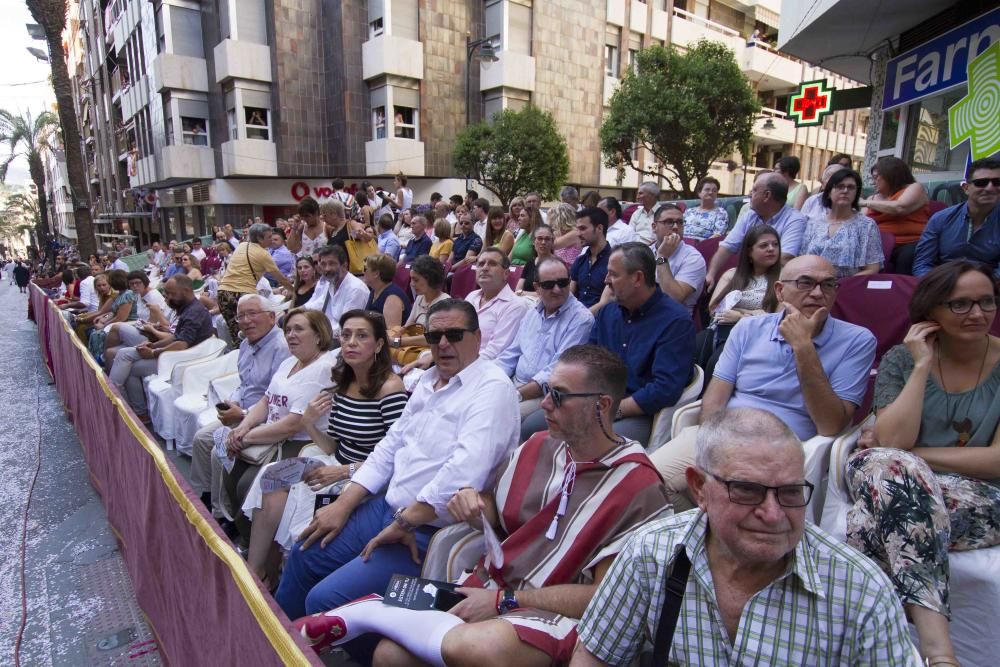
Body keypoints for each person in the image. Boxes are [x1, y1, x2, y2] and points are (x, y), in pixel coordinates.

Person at [298, 345, 673, 665]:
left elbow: (604, 595)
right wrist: (474, 506)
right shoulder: (540, 446)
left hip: (561, 612)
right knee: (387, 656)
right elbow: (499, 513)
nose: (543, 403)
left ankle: (372, 612)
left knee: (476, 646)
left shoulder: (637, 485)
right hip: (495, 585)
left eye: (558, 395)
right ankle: (378, 617)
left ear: (601, 406)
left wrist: (504, 602)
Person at [572, 408, 915, 666]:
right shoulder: (652, 552)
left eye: (791, 492)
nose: (773, 513)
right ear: (699, 489)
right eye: (747, 490)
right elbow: (595, 656)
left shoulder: (859, 590)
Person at [274, 299, 521, 620]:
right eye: (434, 337)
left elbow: (462, 473)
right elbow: (390, 447)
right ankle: (275, 644)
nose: (443, 344)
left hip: (425, 530)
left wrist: (405, 521)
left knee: (326, 601)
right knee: (303, 555)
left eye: (454, 335)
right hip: (384, 508)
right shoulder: (430, 380)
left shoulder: (491, 389)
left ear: (477, 337)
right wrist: (344, 504)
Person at [850, 260, 1000, 664]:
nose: (977, 314)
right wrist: (921, 367)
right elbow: (894, 440)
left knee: (884, 496)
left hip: (980, 498)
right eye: (960, 304)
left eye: (986, 302)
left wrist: (914, 458)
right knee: (890, 471)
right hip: (893, 477)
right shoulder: (902, 360)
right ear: (930, 311)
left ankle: (865, 638)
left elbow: (998, 460)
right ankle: (940, 655)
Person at [650, 255, 876, 509]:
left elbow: (831, 424)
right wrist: (717, 443)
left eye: (828, 285)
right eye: (805, 283)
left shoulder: (857, 340)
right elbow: (714, 399)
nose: (817, 293)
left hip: (782, 449)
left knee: (705, 492)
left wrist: (803, 347)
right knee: (643, 483)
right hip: (721, 435)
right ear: (780, 291)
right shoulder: (749, 328)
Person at [242, 310, 407, 587]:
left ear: (379, 345)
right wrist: (309, 422)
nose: (351, 342)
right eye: (346, 335)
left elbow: (397, 457)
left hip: (366, 479)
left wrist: (344, 471)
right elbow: (332, 445)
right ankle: (257, 571)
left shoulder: (390, 389)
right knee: (273, 477)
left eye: (362, 336)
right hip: (333, 462)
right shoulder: (344, 381)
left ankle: (281, 574)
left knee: (301, 497)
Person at [542, 242, 695, 445]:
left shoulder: (675, 322)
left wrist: (614, 410)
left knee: (585, 439)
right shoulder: (608, 313)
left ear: (638, 278)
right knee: (535, 425)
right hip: (593, 400)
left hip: (636, 412)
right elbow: (587, 360)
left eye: (613, 274)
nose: (606, 281)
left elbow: (665, 388)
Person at [221, 308, 338, 543]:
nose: (291, 335)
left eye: (299, 329)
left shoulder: (323, 369)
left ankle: (250, 543)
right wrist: (243, 427)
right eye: (288, 330)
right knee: (228, 465)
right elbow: (266, 400)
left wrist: (247, 437)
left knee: (247, 484)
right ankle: (237, 528)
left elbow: (292, 425)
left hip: (298, 443)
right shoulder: (289, 362)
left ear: (318, 334)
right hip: (269, 435)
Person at [190, 294, 290, 523]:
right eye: (241, 316)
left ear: (271, 317)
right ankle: (207, 496)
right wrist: (233, 402)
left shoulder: (281, 348)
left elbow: (275, 398)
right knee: (201, 439)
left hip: (265, 418)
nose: (246, 321)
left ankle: (223, 514)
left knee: (219, 451)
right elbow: (244, 384)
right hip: (241, 411)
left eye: (252, 314)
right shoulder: (245, 344)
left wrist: (243, 415)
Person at [496, 256, 594, 416]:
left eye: (563, 282)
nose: (557, 289)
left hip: (546, 394)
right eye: (549, 285)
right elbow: (511, 354)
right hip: (515, 383)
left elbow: (556, 374)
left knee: (501, 415)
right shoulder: (532, 312)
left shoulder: (581, 319)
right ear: (537, 287)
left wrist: (516, 395)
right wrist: (490, 377)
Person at [109, 275, 215, 421]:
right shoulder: (189, 308)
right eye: (168, 294)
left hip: (184, 360)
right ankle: (129, 406)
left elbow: (181, 344)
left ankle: (112, 400)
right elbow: (176, 336)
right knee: (123, 355)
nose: (169, 298)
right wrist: (153, 345)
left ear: (185, 291)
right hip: (178, 355)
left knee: (127, 362)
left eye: (172, 294)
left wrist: (153, 352)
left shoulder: (193, 312)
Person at [699, 225, 782, 378]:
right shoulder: (732, 275)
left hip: (759, 336)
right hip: (722, 330)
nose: (771, 249)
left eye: (775, 244)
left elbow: (777, 318)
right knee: (692, 352)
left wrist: (740, 317)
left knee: (717, 362)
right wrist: (751, 313)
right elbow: (714, 309)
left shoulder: (783, 278)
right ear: (749, 252)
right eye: (764, 245)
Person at [705, 171, 807, 291]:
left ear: (767, 195)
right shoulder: (749, 215)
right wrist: (711, 274)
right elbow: (727, 247)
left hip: (775, 285)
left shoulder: (795, 220)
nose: (749, 194)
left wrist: (748, 273)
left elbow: (784, 258)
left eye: (754, 190)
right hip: (745, 278)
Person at [913, 157, 1000, 278]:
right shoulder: (940, 219)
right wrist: (935, 286)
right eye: (981, 183)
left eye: (997, 182)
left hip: (989, 288)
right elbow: (922, 264)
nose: (990, 188)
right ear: (966, 188)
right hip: (944, 286)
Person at [217, 223, 293, 343]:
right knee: (255, 334)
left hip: (222, 292)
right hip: (242, 295)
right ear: (259, 238)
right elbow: (281, 279)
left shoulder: (242, 246)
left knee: (236, 335)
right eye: (269, 237)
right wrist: (294, 291)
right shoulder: (263, 254)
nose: (271, 240)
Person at [801, 168, 883, 277]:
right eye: (840, 186)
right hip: (812, 285)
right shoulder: (814, 223)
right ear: (829, 192)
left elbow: (872, 269)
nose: (845, 191)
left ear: (856, 193)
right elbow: (802, 259)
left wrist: (839, 285)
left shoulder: (866, 226)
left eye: (851, 187)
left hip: (849, 287)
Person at [861, 156, 930, 275]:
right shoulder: (872, 198)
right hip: (878, 244)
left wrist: (865, 203)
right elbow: (861, 223)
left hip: (909, 242)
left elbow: (899, 207)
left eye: (876, 177)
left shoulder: (914, 188)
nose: (873, 182)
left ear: (890, 176)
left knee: (906, 256)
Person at [387, 255, 450, 363]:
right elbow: (407, 327)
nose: (411, 284)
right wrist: (392, 336)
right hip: (413, 345)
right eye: (411, 279)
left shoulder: (445, 303)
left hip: (432, 352)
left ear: (430, 279)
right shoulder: (420, 297)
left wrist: (396, 341)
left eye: (415, 280)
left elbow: (432, 339)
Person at [301, 245, 370, 339]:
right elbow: (317, 304)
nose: (327, 269)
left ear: (344, 265)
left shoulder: (356, 289)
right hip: (325, 333)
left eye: (331, 263)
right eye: (323, 264)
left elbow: (347, 327)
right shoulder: (330, 282)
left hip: (342, 340)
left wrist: (317, 333)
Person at [650, 204, 707, 311]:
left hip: (673, 319)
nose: (676, 227)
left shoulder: (693, 258)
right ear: (654, 227)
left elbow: (673, 298)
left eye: (680, 222)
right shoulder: (646, 251)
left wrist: (662, 257)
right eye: (669, 222)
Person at [570, 207, 612, 312]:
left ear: (599, 228)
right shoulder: (580, 261)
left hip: (600, 321)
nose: (578, 234)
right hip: (577, 317)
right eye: (577, 229)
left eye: (583, 229)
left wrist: (578, 320)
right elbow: (569, 295)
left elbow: (605, 303)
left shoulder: (614, 262)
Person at [363, 253, 411, 330]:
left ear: (376, 274)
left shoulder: (392, 298)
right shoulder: (375, 290)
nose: (363, 272)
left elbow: (392, 333)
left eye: (365, 269)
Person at [683, 176, 730, 241]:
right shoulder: (689, 211)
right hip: (681, 244)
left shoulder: (721, 213)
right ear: (699, 193)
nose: (711, 192)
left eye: (714, 191)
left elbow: (718, 235)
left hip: (703, 246)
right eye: (707, 189)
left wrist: (701, 245)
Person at [515, 224, 556, 294]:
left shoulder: (557, 264)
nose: (543, 242)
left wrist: (524, 293)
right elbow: (517, 290)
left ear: (552, 242)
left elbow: (551, 293)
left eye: (547, 239)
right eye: (540, 238)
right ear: (533, 241)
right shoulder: (530, 264)